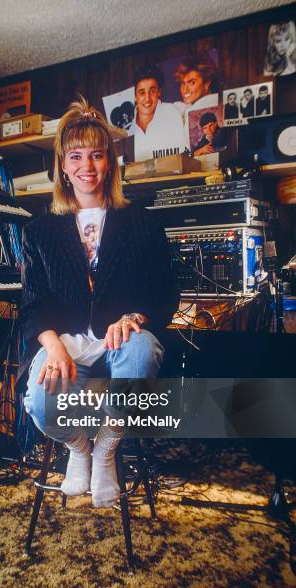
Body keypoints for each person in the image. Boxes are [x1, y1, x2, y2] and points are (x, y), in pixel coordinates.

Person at [19, 97, 179, 508]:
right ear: (63, 165)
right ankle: (78, 448)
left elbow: (166, 292)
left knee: (141, 351)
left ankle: (107, 447)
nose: (86, 166)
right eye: (76, 156)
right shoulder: (40, 231)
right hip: (68, 339)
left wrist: (134, 316)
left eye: (96, 155)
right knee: (38, 398)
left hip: (120, 339)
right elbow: (34, 303)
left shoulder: (142, 223)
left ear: (110, 162)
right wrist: (53, 346)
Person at [133, 66, 187, 161]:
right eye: (142, 93)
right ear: (135, 97)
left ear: (159, 92)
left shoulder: (172, 112)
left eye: (152, 91)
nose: (147, 98)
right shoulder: (127, 126)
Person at [173, 55, 219, 145]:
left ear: (207, 83)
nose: (184, 89)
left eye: (192, 82)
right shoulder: (187, 108)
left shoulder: (198, 109)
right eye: (182, 83)